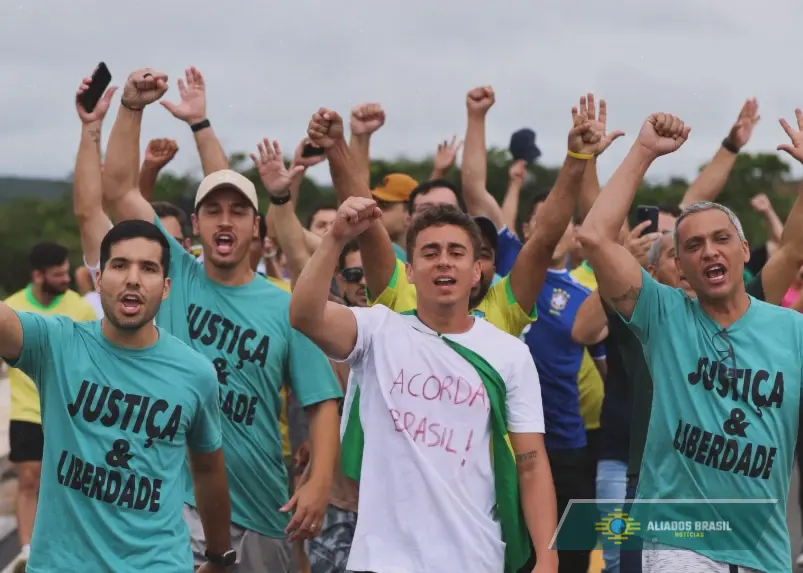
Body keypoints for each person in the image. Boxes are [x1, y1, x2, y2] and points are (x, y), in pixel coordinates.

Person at [100, 67, 342, 573]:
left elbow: (321, 400)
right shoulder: (179, 276)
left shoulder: (285, 305)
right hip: (177, 502)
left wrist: (319, 482)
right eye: (213, 211)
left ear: (257, 227)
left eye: (238, 211)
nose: (225, 220)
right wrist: (130, 107)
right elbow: (118, 188)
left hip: (261, 507)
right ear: (196, 225)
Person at [578, 112, 803, 573]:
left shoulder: (790, 329)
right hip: (680, 540)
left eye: (722, 239)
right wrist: (642, 152)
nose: (709, 251)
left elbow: (797, 248)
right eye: (694, 246)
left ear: (745, 250)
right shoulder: (663, 317)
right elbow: (595, 236)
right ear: (679, 264)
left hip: (763, 545)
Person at [290, 197, 558, 573]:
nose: (444, 261)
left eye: (457, 252)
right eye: (430, 252)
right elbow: (304, 316)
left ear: (477, 270)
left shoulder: (509, 354)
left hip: (473, 557)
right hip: (381, 559)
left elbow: (531, 464)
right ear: (411, 271)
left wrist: (548, 556)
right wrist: (335, 238)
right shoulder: (377, 330)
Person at [0, 220, 231, 572]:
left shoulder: (196, 373)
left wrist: (218, 557)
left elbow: (208, 469)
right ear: (97, 278)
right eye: (120, 265)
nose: (133, 279)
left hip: (158, 563)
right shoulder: (56, 344)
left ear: (166, 287)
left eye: (149, 268)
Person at [3, 241, 96, 572]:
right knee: (28, 478)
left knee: (68, 483)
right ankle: (27, 550)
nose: (66, 277)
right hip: (26, 411)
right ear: (38, 275)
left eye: (66, 270)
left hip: (67, 414)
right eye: (58, 273)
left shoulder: (81, 309)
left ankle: (69, 546)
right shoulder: (11, 308)